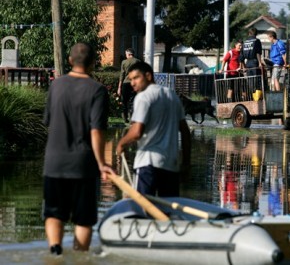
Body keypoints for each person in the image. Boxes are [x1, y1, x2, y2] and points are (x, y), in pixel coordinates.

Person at [42, 43, 114, 255]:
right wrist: (102, 164)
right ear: (93, 63)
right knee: (83, 219)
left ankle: (55, 252)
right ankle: (80, 257)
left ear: (70, 61)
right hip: (83, 165)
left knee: (54, 213)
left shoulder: (56, 86)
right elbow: (96, 131)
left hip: (54, 162)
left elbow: (48, 121)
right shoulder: (97, 90)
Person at [116, 61, 191, 197]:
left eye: (136, 78)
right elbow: (185, 133)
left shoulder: (143, 97)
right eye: (131, 79)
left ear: (148, 76)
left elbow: (136, 131)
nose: (132, 83)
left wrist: (121, 143)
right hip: (170, 165)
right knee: (167, 211)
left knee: (143, 209)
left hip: (148, 164)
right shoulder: (172, 96)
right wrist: (186, 163)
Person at [118, 48, 141, 123]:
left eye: (126, 54)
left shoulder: (124, 62)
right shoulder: (138, 61)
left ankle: (125, 117)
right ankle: (132, 117)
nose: (126, 56)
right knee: (133, 100)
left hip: (125, 83)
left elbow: (122, 74)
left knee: (124, 100)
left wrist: (119, 87)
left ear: (128, 54)